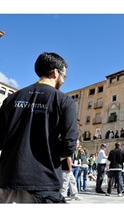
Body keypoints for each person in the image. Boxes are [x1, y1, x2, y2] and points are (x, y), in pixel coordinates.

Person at [0, 52, 79, 203]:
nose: (63, 81)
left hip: (7, 181)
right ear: (55, 72)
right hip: (44, 183)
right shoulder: (64, 101)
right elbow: (69, 144)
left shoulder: (11, 99)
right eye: (64, 76)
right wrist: (51, 158)